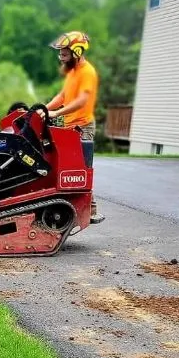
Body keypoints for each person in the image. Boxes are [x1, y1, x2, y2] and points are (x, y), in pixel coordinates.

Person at [44, 30, 104, 223]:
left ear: (77, 51)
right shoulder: (72, 72)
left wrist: (56, 113)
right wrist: (44, 109)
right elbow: (62, 97)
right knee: (65, 170)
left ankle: (91, 210)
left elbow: (82, 100)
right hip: (70, 127)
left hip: (83, 126)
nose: (60, 56)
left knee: (80, 171)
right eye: (60, 52)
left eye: (64, 52)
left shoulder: (87, 72)